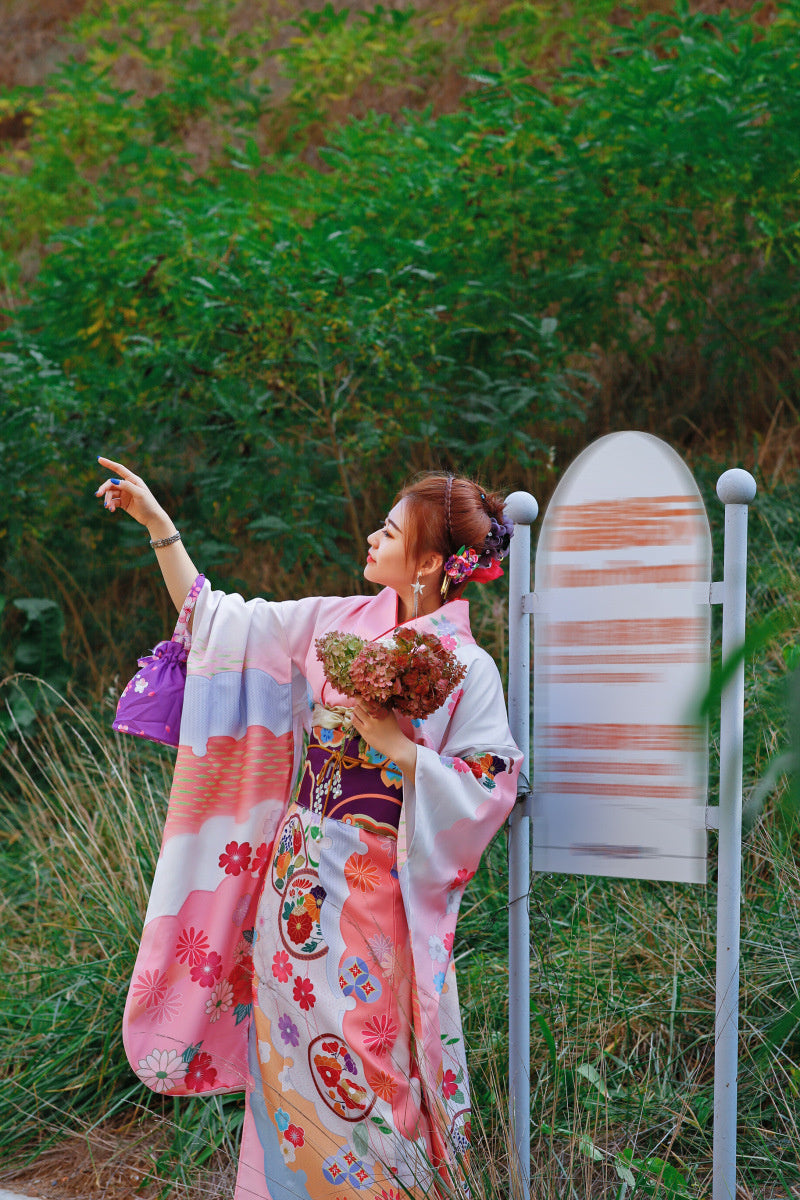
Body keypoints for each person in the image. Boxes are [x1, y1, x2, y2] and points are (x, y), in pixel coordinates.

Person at [96, 456, 522, 1200]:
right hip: (294, 878)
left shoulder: (467, 666)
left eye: (389, 531)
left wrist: (399, 751)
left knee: (367, 1059)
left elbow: (493, 780)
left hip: (372, 890)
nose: (371, 536)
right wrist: (159, 525)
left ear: (429, 562)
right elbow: (222, 622)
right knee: (284, 1060)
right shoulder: (335, 621)